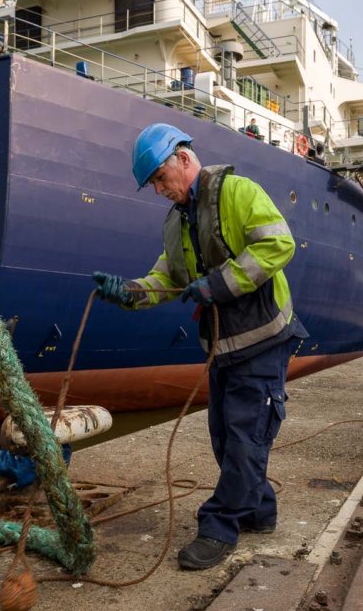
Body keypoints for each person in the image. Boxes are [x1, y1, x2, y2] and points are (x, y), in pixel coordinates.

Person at [93, 123, 307, 570]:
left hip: (263, 337)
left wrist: (219, 284)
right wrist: (128, 291)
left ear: (184, 161)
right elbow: (165, 279)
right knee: (226, 436)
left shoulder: (237, 193)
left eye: (159, 178)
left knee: (246, 437)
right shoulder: (176, 223)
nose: (157, 190)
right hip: (223, 345)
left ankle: (219, 525)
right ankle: (259, 512)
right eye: (152, 182)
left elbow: (278, 244)